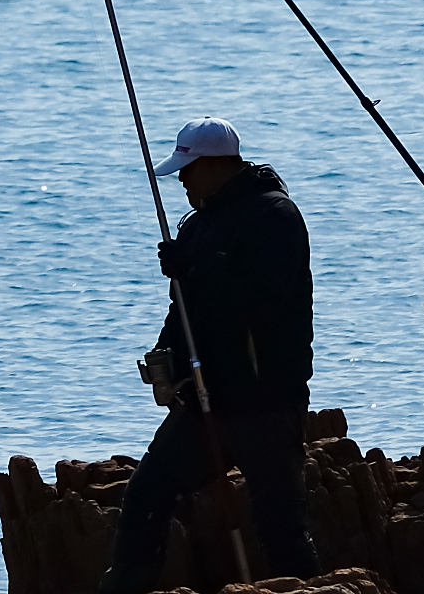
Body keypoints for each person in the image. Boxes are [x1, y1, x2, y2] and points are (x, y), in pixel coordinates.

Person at [101, 117, 319, 594]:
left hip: (266, 401)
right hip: (207, 402)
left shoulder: (275, 215)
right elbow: (187, 306)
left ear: (220, 165)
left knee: (280, 527)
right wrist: (167, 354)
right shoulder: (200, 223)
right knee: (146, 494)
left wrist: (198, 267)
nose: (181, 180)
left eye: (189, 169)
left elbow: (264, 297)